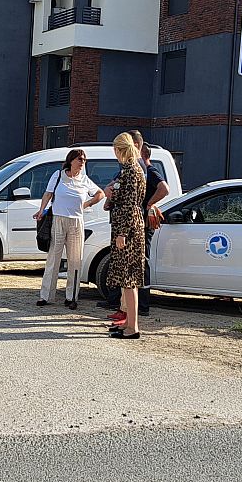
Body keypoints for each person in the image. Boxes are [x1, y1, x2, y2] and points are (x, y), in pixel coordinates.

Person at [105, 143, 170, 319]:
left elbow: (132, 202)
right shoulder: (132, 170)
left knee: (133, 273)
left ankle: (137, 311)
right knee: (128, 275)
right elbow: (114, 189)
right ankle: (125, 312)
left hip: (133, 227)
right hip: (132, 224)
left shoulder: (142, 170)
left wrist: (149, 204)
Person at [33, 149, 104, 309]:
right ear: (71, 160)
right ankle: (46, 295)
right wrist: (41, 209)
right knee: (53, 258)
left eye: (84, 159)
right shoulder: (58, 175)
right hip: (58, 219)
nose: (82, 162)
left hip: (76, 222)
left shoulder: (84, 179)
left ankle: (72, 296)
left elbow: (100, 194)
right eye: (80, 159)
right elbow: (48, 194)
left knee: (75, 260)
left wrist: (86, 204)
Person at [107, 132, 146, 340]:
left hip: (129, 230)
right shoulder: (132, 170)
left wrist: (122, 233)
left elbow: (130, 205)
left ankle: (133, 327)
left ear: (119, 149)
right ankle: (129, 323)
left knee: (129, 280)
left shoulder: (131, 171)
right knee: (126, 280)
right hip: (129, 226)